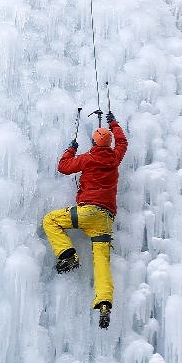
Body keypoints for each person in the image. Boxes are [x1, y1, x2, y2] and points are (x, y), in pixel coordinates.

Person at [42, 111, 127, 329]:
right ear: (108, 145)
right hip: (105, 220)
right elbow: (123, 142)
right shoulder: (115, 158)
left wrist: (71, 148)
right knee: (101, 263)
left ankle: (68, 255)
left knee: (51, 220)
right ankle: (105, 303)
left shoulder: (88, 158)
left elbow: (64, 166)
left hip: (87, 212)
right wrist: (113, 122)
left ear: (93, 143)